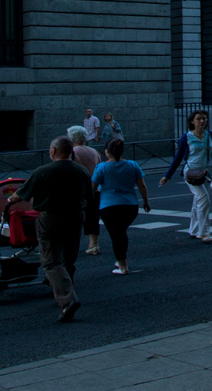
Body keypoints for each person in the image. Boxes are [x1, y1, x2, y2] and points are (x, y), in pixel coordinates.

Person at [8, 138, 91, 321]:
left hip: (50, 217)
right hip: (76, 216)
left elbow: (20, 195)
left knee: (52, 261)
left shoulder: (42, 172)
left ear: (53, 150)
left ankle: (68, 299)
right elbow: (89, 195)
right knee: (69, 257)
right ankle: (67, 290)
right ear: (72, 152)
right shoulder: (82, 170)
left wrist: (9, 200)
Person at [161, 109, 212, 242]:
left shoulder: (210, 135)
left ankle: (193, 230)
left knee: (197, 201)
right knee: (203, 198)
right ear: (192, 121)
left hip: (205, 173)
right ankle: (204, 232)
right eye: (199, 119)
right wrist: (167, 176)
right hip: (191, 173)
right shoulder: (186, 137)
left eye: (204, 118)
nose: (202, 121)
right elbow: (178, 158)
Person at [91, 138, 151, 274]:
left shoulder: (102, 167)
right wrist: (146, 201)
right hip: (130, 206)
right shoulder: (133, 165)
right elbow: (142, 185)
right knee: (121, 232)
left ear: (107, 152)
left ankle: (123, 266)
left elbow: (92, 187)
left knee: (116, 235)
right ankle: (120, 261)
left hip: (109, 206)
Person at [67, 125, 102, 254]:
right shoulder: (93, 151)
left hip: (77, 191)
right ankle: (94, 244)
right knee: (92, 218)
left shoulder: (72, 153)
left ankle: (72, 246)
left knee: (74, 219)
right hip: (94, 189)